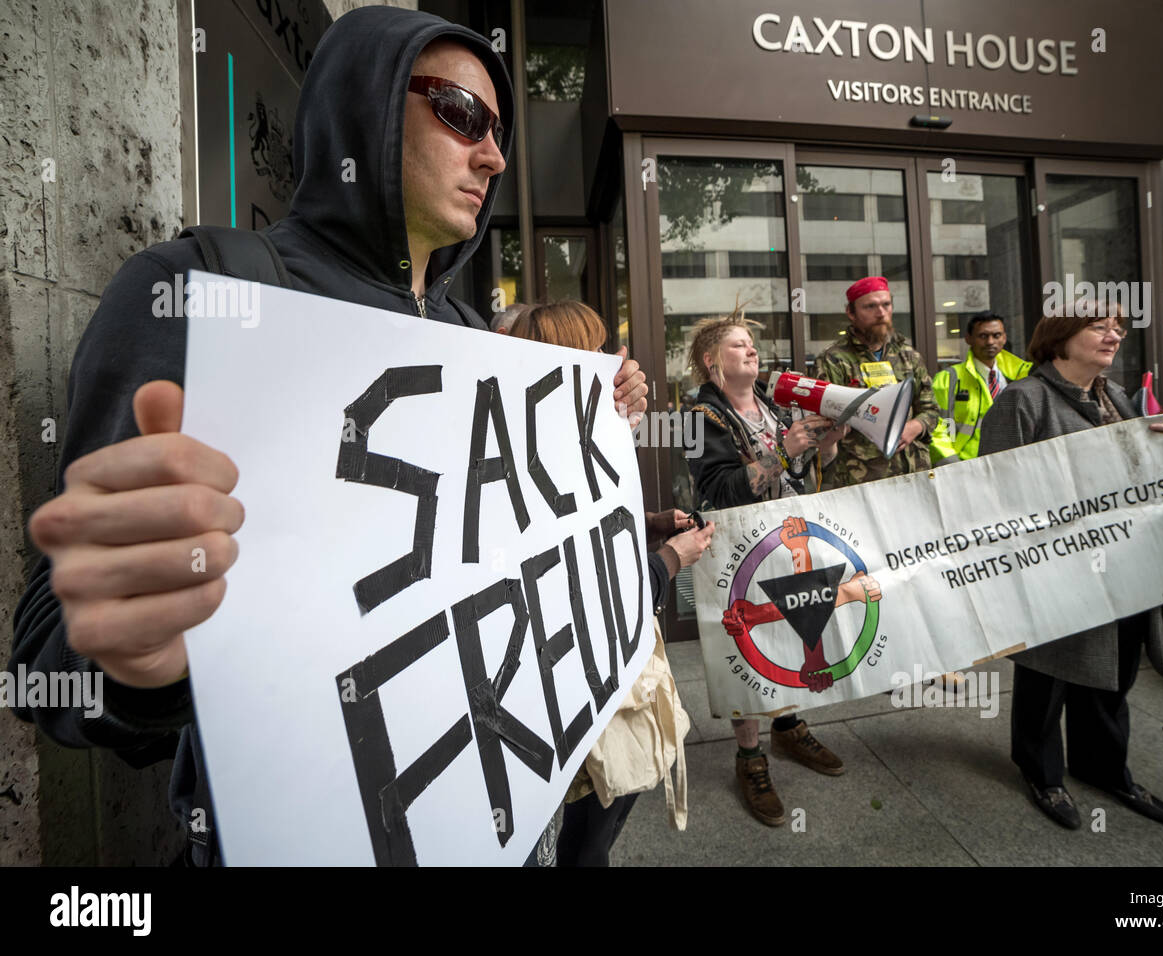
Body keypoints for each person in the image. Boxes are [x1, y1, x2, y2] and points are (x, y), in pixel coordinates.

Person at [9, 8, 648, 866]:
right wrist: (139, 660)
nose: (493, 155)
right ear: (366, 107)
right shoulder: (203, 288)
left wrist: (591, 432)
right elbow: (49, 654)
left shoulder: (473, 339)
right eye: (462, 114)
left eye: (498, 130)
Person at [509, 300, 713, 866]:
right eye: (593, 350)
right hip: (588, 704)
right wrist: (671, 557)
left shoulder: (561, 438)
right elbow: (598, 593)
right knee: (584, 846)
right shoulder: (547, 451)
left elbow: (599, 525)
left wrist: (647, 523)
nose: (612, 364)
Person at [980, 305, 1163, 830]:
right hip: (1057, 570)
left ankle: (1104, 769)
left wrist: (1157, 452)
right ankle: (1042, 774)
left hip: (1124, 562)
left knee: (1113, 671)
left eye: (1117, 327)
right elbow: (993, 495)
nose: (1114, 334)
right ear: (1059, 339)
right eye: (1099, 327)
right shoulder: (1023, 400)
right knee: (1047, 674)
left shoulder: (1114, 395)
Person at [685, 310, 852, 827]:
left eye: (752, 345)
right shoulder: (696, 418)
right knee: (746, 648)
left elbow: (801, 471)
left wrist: (826, 442)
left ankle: (788, 726)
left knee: (793, 635)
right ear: (713, 363)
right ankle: (750, 757)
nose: (752, 351)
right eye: (738, 346)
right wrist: (785, 449)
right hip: (735, 553)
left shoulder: (771, 405)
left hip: (785, 543)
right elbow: (719, 491)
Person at [814, 276, 940, 487]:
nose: (880, 313)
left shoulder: (908, 356)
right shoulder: (834, 359)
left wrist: (914, 427)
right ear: (851, 312)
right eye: (870, 306)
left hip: (913, 473)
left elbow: (931, 409)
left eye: (886, 304)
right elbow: (826, 421)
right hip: (859, 479)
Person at [930, 311, 1033, 465]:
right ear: (968, 339)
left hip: (1014, 464)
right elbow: (936, 427)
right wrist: (953, 466)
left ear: (1004, 338)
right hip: (966, 466)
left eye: (996, 335)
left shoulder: (1022, 377)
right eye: (983, 336)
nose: (990, 342)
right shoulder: (948, 379)